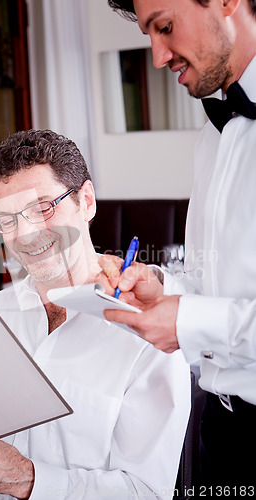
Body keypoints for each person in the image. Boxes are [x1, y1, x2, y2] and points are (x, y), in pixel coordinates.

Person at [0, 129, 190, 500]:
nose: (27, 234)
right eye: (8, 219)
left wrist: (26, 480)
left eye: (43, 208)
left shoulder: (149, 332)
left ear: (87, 201)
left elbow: (147, 491)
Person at [101, 0, 256, 493]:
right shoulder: (214, 135)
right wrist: (162, 286)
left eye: (164, 27)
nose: (157, 57)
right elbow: (220, 279)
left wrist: (186, 321)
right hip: (224, 432)